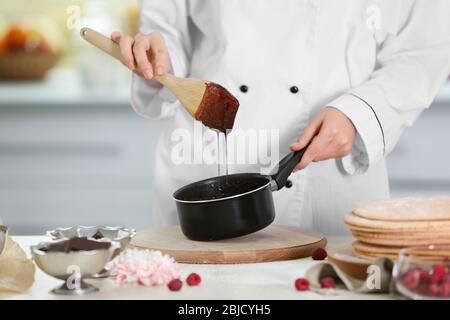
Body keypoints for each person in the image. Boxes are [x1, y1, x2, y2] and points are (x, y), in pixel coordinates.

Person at [111, 0, 450, 235]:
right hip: (209, 158)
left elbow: (424, 49)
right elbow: (166, 30)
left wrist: (360, 112)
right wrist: (158, 61)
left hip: (326, 171)